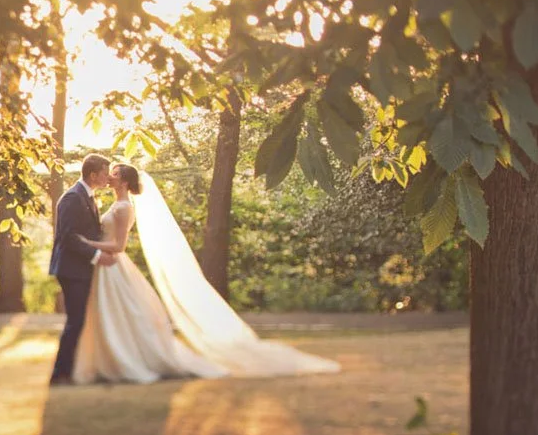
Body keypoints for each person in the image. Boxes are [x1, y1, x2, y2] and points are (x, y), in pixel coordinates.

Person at [63, 162, 341, 385]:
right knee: (108, 315)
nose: (109, 178)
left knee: (124, 314)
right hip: (105, 267)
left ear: (124, 181)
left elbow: (119, 245)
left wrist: (89, 244)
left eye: (113, 174)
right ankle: (108, 361)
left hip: (113, 263)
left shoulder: (124, 208)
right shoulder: (113, 204)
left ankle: (130, 360)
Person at [47, 153, 110, 385]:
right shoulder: (73, 198)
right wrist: (96, 255)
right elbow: (68, 237)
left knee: (79, 320)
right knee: (75, 320)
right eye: (105, 173)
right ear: (93, 174)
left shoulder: (88, 197)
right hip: (71, 268)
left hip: (79, 267)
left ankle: (70, 370)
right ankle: (59, 374)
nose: (107, 177)